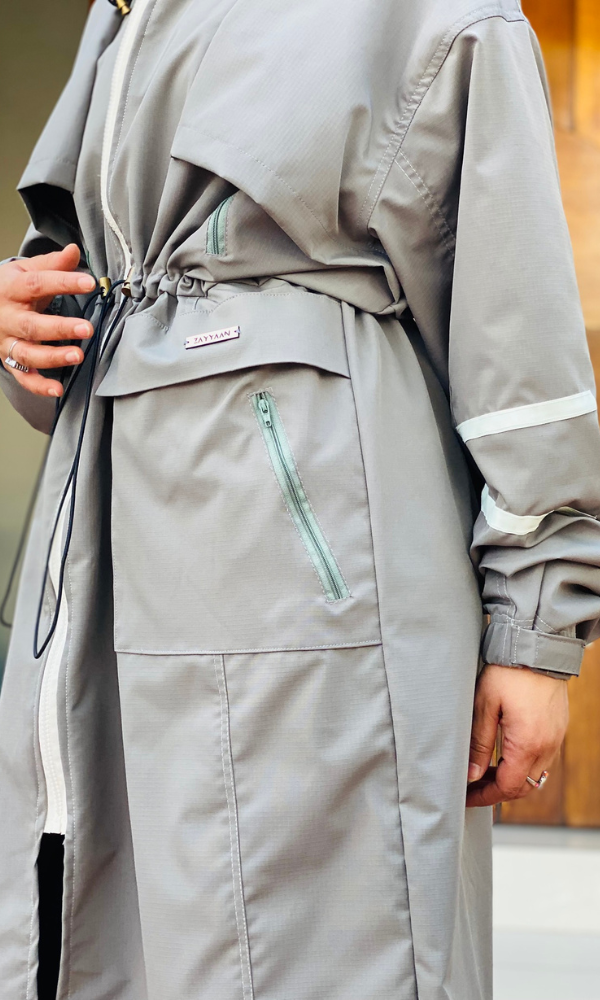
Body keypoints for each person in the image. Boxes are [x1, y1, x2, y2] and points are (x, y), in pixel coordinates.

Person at [0, 1, 598, 998]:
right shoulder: (125, 14)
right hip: (102, 577)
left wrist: (534, 629)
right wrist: (27, 319)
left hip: (313, 578)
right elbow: (78, 301)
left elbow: (519, 341)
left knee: (321, 948)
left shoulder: (443, 18)